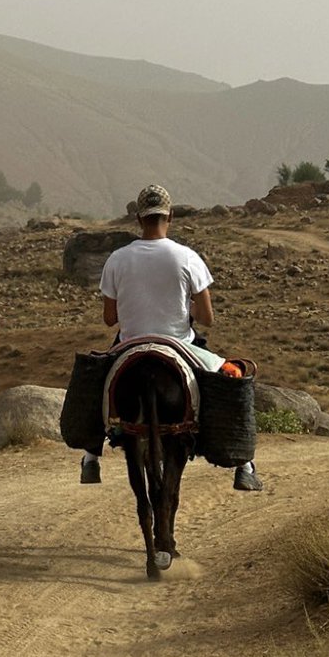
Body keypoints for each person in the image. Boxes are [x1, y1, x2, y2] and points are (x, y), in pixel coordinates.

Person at [79, 183, 262, 492]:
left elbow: (110, 319)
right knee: (228, 378)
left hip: (129, 343)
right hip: (181, 344)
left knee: (95, 381)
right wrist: (185, 309)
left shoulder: (117, 259)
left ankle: (90, 456)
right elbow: (207, 318)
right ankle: (244, 465)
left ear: (138, 218)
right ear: (170, 216)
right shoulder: (188, 257)